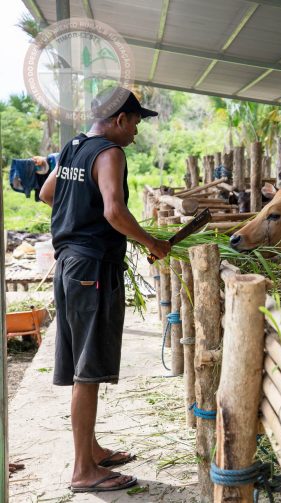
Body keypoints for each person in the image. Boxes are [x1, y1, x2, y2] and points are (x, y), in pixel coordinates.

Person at [39, 87, 171, 493]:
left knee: (83, 364)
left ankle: (91, 449)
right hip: (92, 267)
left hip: (68, 264)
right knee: (88, 369)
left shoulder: (74, 147)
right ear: (119, 119)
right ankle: (83, 470)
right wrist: (152, 242)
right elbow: (114, 210)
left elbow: (47, 193)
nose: (135, 132)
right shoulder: (110, 153)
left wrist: (78, 218)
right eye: (135, 123)